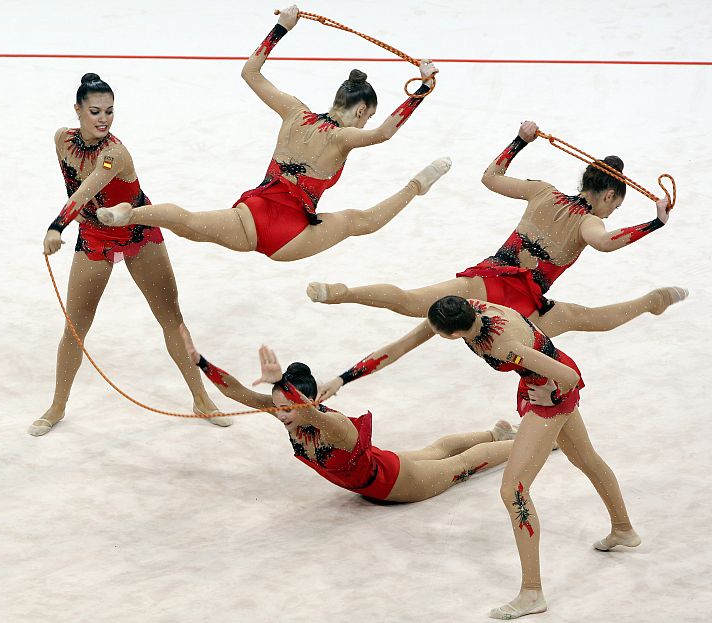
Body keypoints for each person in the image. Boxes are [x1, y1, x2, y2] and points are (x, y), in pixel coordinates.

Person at [316, 296, 641, 619]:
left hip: (551, 389)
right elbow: (402, 346)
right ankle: (623, 528)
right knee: (585, 458)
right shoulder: (467, 308)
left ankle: (532, 592)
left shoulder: (502, 346)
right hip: (540, 377)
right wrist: (343, 378)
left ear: (453, 335)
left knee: (513, 490)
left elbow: (568, 376)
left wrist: (552, 393)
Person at [96, 6, 450, 261]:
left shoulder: (294, 112)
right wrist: (422, 88)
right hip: (290, 235)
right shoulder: (341, 138)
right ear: (360, 111)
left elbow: (250, 73)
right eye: (367, 116)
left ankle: (131, 213)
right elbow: (385, 133)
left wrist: (281, 28)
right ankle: (416, 186)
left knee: (188, 222)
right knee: (362, 222)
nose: (365, 123)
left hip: (251, 214)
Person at [307, 120, 686, 338]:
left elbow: (490, 177)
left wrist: (519, 141)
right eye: (615, 207)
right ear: (608, 196)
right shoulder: (590, 222)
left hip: (486, 281)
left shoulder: (542, 191)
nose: (611, 213)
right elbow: (605, 243)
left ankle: (342, 293)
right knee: (588, 319)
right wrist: (654, 222)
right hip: (523, 306)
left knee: (409, 301)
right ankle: (650, 303)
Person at [31, 73, 230, 436]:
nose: (103, 119)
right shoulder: (62, 139)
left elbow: (86, 189)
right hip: (95, 235)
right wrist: (73, 223)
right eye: (95, 111)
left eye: (109, 111)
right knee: (75, 327)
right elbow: (76, 185)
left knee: (171, 318)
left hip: (137, 228)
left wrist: (57, 226)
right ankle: (57, 406)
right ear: (77, 109)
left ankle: (201, 398)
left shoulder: (115, 154)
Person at [178, 325, 540, 503]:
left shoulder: (332, 425)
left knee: (464, 464)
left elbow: (308, 412)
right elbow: (238, 392)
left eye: (287, 406)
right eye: (278, 407)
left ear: (308, 402)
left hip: (398, 485)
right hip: (380, 467)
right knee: (437, 448)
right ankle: (497, 433)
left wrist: (282, 387)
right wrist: (200, 362)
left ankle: (536, 441)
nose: (281, 415)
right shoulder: (288, 414)